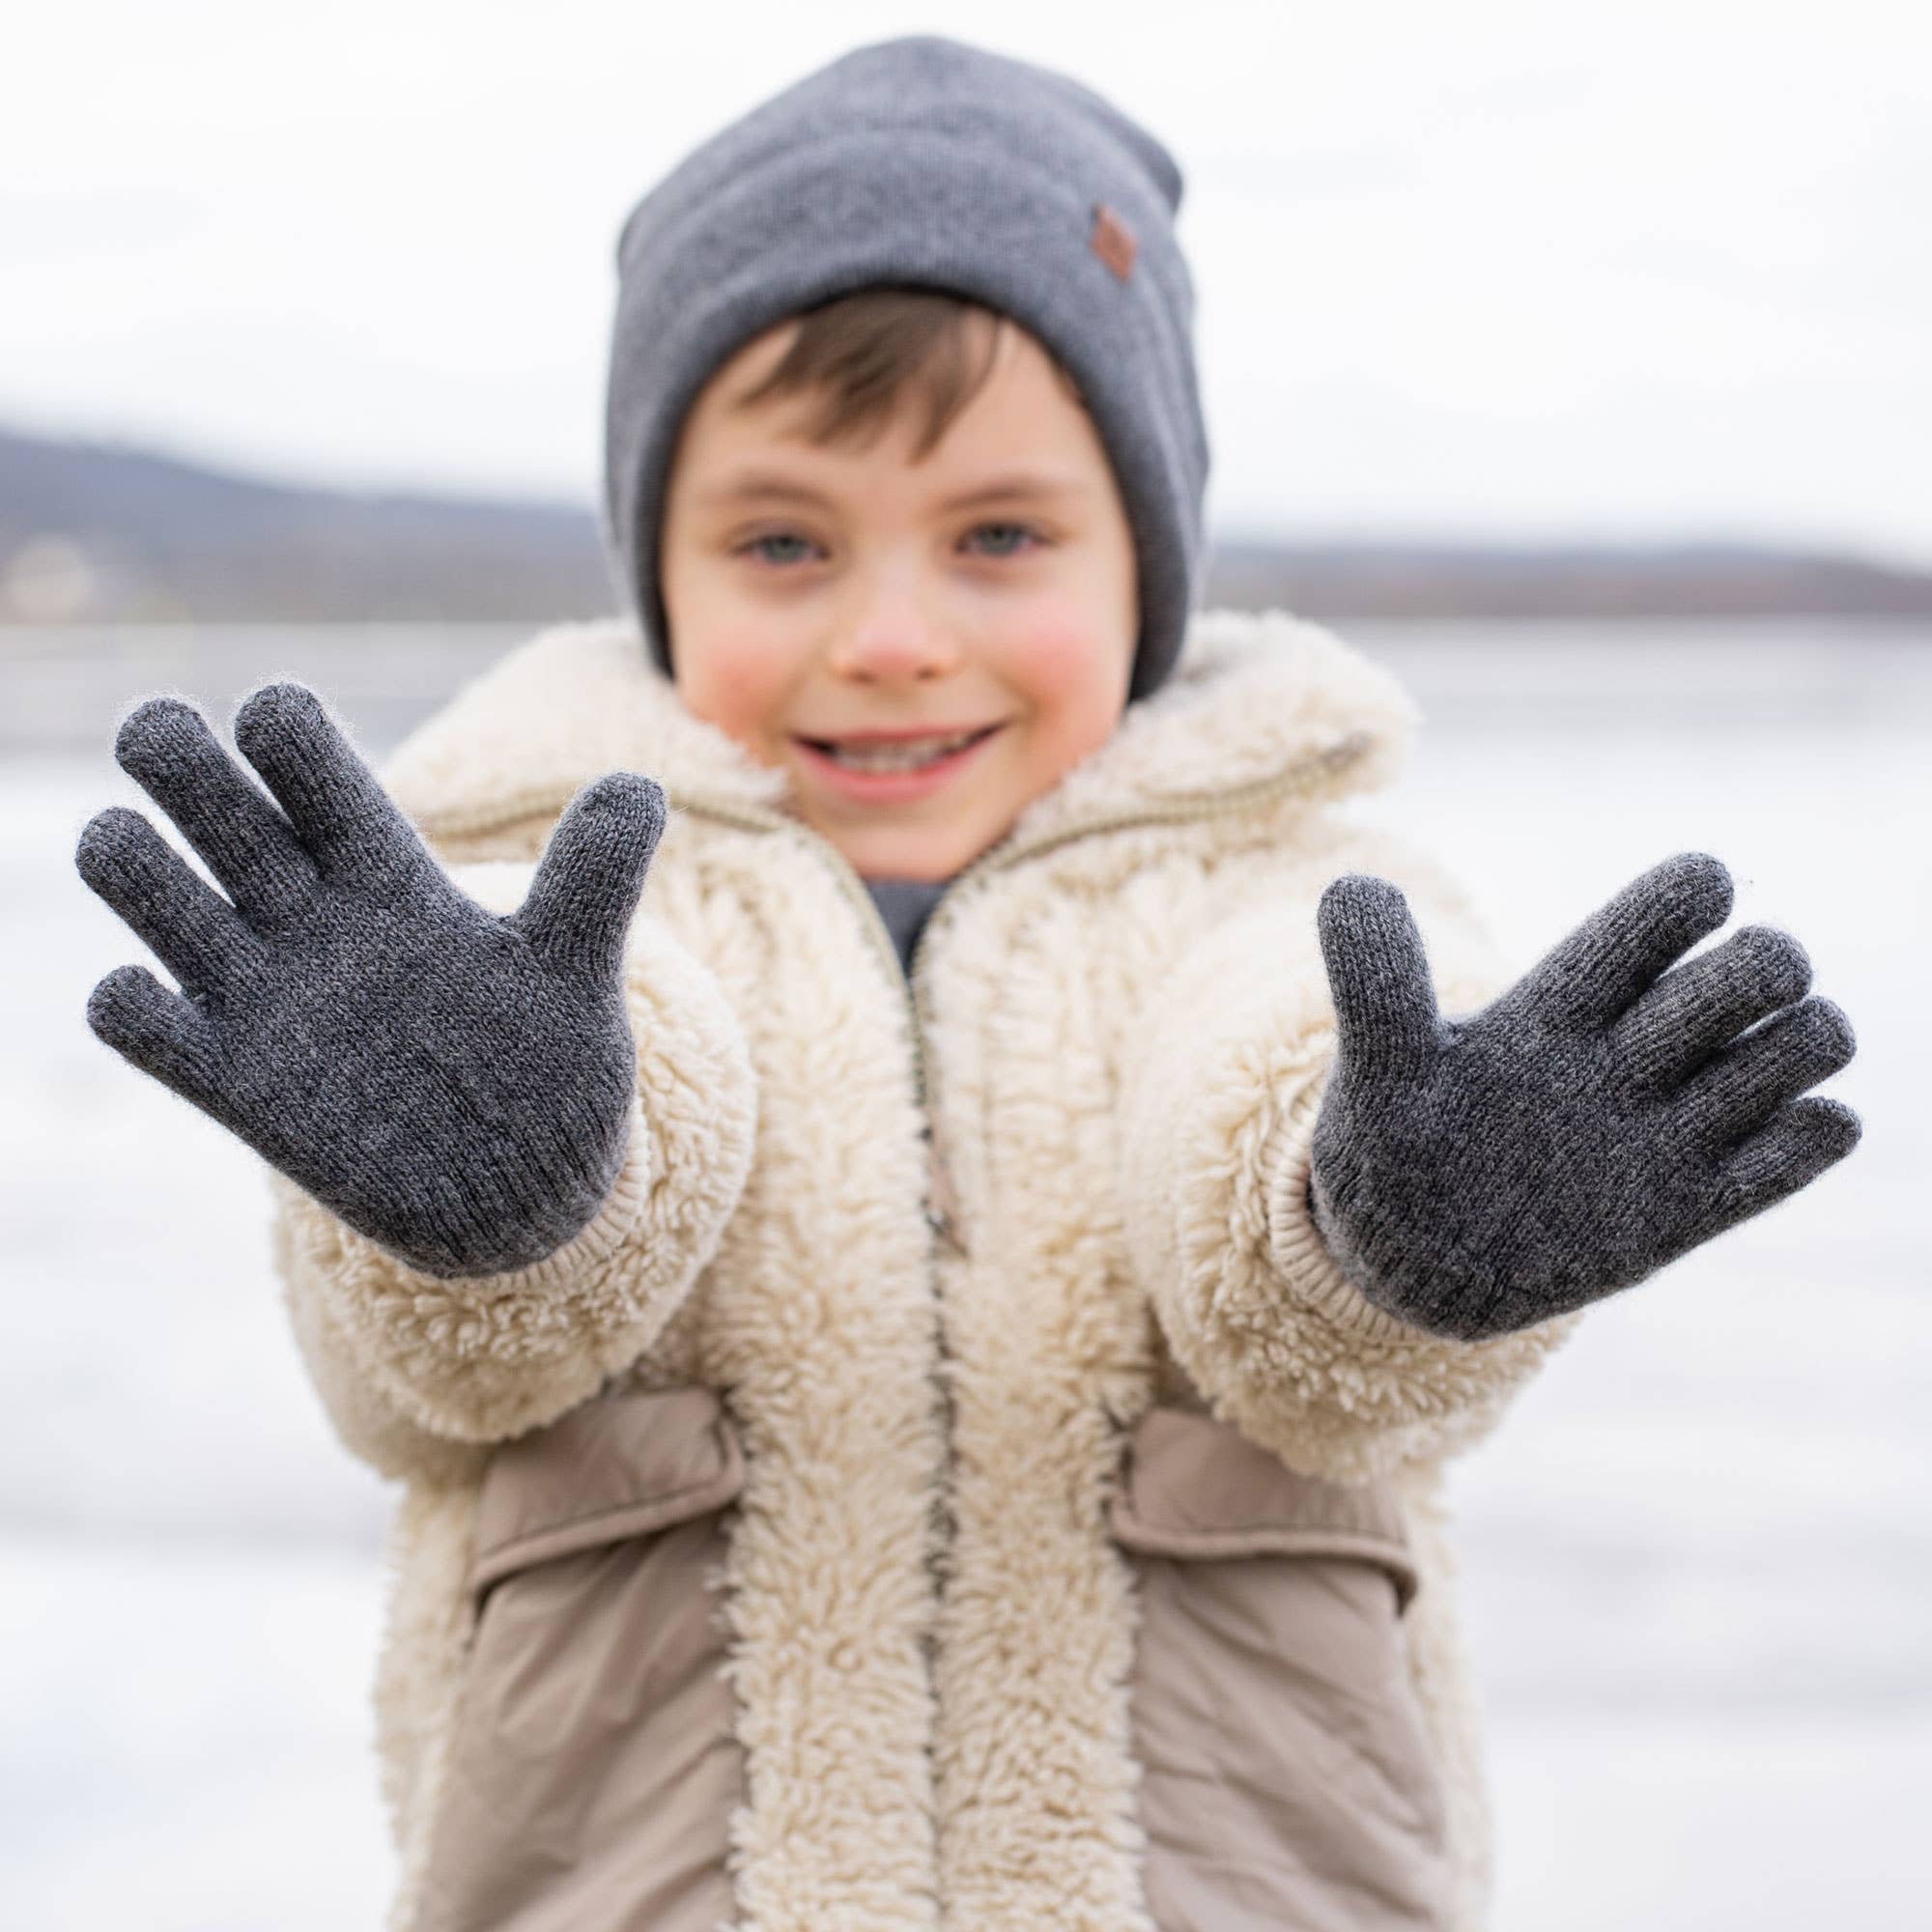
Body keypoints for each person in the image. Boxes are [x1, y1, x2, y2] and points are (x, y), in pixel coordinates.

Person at [72, 34, 1862, 1932]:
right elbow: (422, 1368)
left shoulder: (1282, 885)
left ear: (1143, 565)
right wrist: (528, 1182)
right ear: (658, 572)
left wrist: (1376, 1224)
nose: (895, 637)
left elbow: (1249, 1129)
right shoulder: (542, 914)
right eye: (782, 541)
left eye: (999, 536)